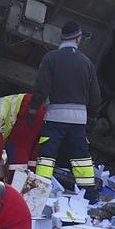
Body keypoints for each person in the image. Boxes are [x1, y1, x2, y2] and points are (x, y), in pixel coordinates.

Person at [32, 21, 101, 189]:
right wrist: (92, 116)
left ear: (61, 38)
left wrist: (33, 108)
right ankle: (88, 194)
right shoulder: (87, 63)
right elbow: (96, 97)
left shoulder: (51, 58)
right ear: (78, 39)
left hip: (55, 116)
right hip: (79, 119)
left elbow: (41, 89)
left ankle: (40, 189)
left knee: (47, 156)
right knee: (81, 158)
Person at [0, 92, 46, 175]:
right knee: (31, 156)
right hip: (36, 108)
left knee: (17, 151)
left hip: (28, 109)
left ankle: (16, 184)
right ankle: (30, 182)